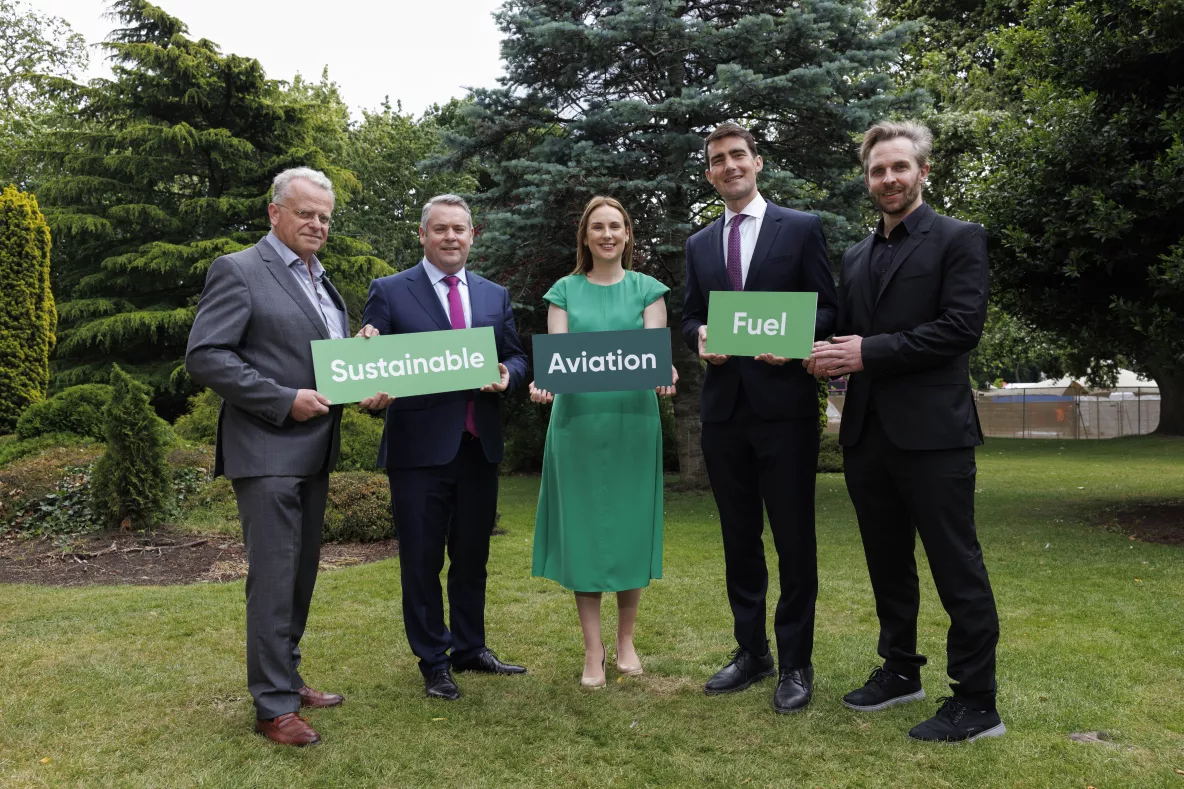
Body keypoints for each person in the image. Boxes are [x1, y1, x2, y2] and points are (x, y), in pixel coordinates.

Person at [807, 121, 1004, 742]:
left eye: (898, 167)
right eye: (876, 170)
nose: (887, 179)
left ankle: (976, 702)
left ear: (922, 171)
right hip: (867, 434)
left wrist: (869, 353)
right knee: (887, 564)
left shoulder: (958, 238)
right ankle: (900, 671)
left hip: (935, 436)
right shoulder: (857, 255)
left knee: (956, 566)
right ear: (867, 179)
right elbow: (841, 327)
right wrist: (797, 345)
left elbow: (960, 328)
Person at [186, 167, 390, 746]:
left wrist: (365, 369)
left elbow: (322, 365)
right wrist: (281, 400)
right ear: (275, 212)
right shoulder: (240, 269)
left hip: (314, 451)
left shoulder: (326, 286)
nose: (317, 225)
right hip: (266, 448)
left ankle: (287, 677)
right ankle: (272, 707)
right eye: (306, 214)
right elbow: (206, 355)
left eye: (325, 217)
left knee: (299, 577)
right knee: (274, 578)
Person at [681, 122, 838, 713]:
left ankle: (796, 662)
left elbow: (829, 308)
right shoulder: (699, 245)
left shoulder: (800, 228)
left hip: (785, 413)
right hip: (724, 415)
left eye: (738, 155)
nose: (729, 166)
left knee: (795, 540)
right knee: (739, 539)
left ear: (757, 162)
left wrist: (798, 338)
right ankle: (752, 652)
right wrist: (699, 337)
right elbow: (691, 315)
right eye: (718, 160)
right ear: (710, 173)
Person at [359, 194, 530, 702]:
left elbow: (517, 357)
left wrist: (508, 375)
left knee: (472, 556)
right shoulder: (389, 291)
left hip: (479, 445)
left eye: (460, 229)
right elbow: (370, 353)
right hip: (418, 451)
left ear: (472, 236)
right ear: (423, 235)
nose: (451, 237)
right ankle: (433, 660)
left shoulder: (495, 294)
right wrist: (367, 354)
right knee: (421, 559)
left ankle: (470, 647)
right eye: (440, 229)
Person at [529, 196, 678, 688]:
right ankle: (592, 651)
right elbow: (560, 359)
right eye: (598, 227)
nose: (608, 234)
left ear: (628, 234)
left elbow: (655, 353)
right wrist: (545, 381)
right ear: (586, 236)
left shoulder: (648, 290)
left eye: (616, 226)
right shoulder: (563, 292)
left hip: (633, 423)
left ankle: (626, 642)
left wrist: (665, 369)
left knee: (631, 531)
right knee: (586, 537)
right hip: (578, 427)